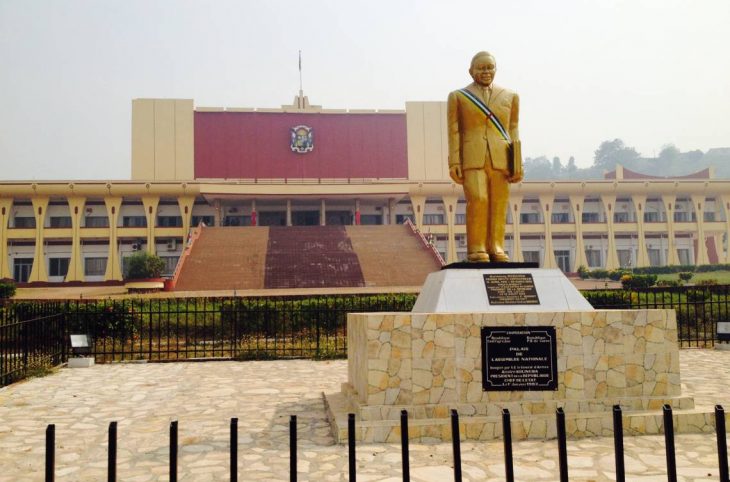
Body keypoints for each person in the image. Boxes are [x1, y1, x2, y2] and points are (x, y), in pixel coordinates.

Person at [447, 51, 522, 262]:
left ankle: (496, 247)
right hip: (473, 157)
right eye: (481, 68)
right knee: (478, 200)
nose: (486, 72)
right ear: (471, 71)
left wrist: (517, 162)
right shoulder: (458, 96)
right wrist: (454, 161)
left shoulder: (510, 96)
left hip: (501, 158)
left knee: (499, 203)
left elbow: (513, 129)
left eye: (490, 67)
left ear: (495, 69)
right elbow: (454, 131)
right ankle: (477, 248)